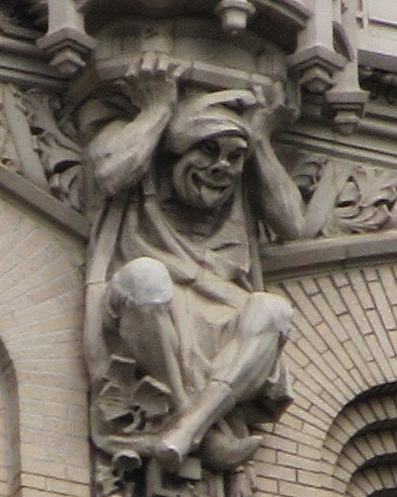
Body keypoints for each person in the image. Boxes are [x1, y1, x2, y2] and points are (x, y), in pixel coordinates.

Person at [80, 54, 305, 473]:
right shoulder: (135, 151)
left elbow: (292, 223)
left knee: (273, 310)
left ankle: (187, 428)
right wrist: (158, 109)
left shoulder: (240, 185)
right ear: (174, 151)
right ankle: (195, 423)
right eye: (206, 151)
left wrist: (257, 142)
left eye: (232, 157)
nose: (220, 168)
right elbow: (111, 173)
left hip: (223, 315)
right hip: (145, 311)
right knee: (146, 278)